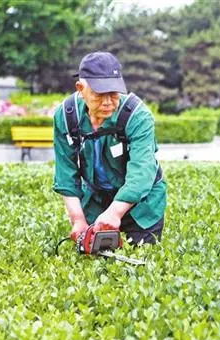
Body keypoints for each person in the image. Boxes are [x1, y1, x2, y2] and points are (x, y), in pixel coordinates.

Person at [52, 51, 167, 245]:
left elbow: (142, 172)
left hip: (140, 204)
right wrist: (78, 220)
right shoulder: (66, 115)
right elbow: (65, 173)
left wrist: (115, 213)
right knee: (94, 259)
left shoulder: (137, 116)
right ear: (81, 89)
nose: (107, 102)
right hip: (96, 200)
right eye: (99, 94)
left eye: (113, 94)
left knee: (141, 257)